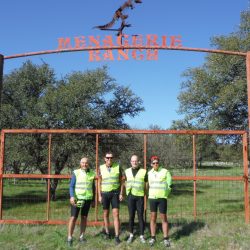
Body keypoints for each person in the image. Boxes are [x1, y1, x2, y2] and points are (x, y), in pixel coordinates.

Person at [67, 157, 95, 247]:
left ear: (88, 163)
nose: (84, 164)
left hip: (87, 199)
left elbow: (93, 187)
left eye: (86, 163)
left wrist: (93, 200)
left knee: (84, 218)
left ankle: (81, 237)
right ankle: (69, 238)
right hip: (77, 199)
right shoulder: (76, 172)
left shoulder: (92, 173)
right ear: (80, 163)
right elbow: (71, 186)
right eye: (82, 163)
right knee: (73, 218)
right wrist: (72, 196)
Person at [98, 152, 124, 245]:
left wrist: (121, 193)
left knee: (116, 214)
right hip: (105, 193)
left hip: (115, 193)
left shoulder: (118, 166)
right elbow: (99, 182)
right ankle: (107, 233)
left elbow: (122, 180)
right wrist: (99, 195)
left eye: (111, 158)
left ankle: (117, 236)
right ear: (104, 158)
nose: (109, 159)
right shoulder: (100, 168)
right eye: (107, 158)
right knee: (105, 213)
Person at [148, 155, 172, 247]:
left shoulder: (165, 171)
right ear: (151, 164)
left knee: (164, 218)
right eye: (154, 163)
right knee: (153, 218)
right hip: (152, 198)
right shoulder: (149, 173)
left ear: (159, 163)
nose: (155, 164)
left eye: (157, 162)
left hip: (162, 198)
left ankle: (166, 238)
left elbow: (170, 185)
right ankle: (153, 237)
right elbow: (149, 185)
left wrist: (166, 194)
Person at [125, 155, 147, 244]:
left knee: (140, 216)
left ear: (139, 161)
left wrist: (145, 194)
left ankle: (141, 235)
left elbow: (146, 185)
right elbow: (125, 182)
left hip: (140, 196)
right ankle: (131, 235)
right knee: (131, 216)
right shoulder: (127, 171)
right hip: (130, 196)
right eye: (133, 161)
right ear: (130, 162)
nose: (134, 162)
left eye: (136, 161)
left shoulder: (144, 171)